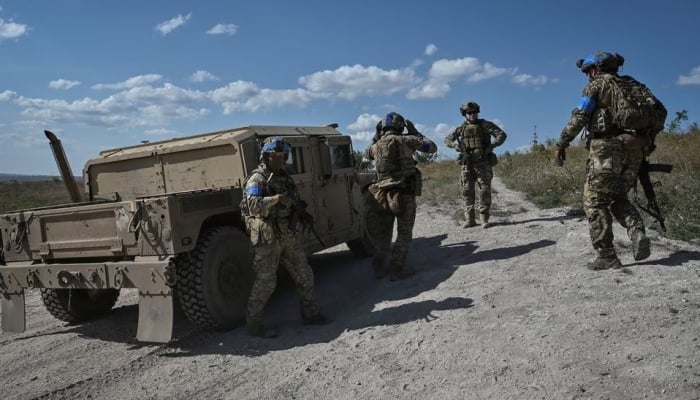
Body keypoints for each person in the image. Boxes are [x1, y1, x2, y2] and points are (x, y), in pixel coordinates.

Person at [554, 51, 664, 270]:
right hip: (635, 149)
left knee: (595, 201)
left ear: (595, 70)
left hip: (606, 149)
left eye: (588, 72)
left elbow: (579, 117)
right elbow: (660, 112)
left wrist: (562, 143)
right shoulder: (636, 85)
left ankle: (606, 256)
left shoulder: (595, 87)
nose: (588, 76)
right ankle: (637, 232)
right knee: (618, 196)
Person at [242, 136, 330, 338]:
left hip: (287, 235)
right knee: (266, 282)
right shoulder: (257, 179)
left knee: (305, 275)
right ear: (266, 156)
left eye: (283, 156)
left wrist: (300, 213)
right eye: (276, 156)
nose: (281, 159)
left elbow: (295, 202)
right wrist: (276, 199)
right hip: (267, 238)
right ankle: (254, 324)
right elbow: (252, 206)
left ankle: (310, 314)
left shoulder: (285, 178)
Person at [365, 112, 437, 281]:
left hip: (382, 195)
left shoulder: (376, 146)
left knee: (384, 234)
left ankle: (379, 268)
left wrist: (377, 136)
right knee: (404, 233)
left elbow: (366, 154)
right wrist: (416, 133)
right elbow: (432, 147)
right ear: (400, 127)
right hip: (404, 193)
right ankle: (396, 269)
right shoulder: (406, 140)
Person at [444, 101, 507, 228]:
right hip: (467, 164)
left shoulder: (485, 125)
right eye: (469, 113)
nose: (472, 115)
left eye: (475, 112)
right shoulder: (460, 128)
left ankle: (484, 218)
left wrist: (492, 146)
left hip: (483, 162)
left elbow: (501, 135)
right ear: (465, 114)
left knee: (484, 191)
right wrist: (455, 146)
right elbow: (447, 140)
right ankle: (470, 219)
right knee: (467, 191)